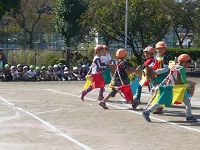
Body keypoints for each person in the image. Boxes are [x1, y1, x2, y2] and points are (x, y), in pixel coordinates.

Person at [142, 54, 197, 122]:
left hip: (171, 87)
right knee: (162, 101)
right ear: (185, 62)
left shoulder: (174, 67)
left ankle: (189, 116)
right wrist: (188, 84)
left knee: (186, 102)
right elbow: (183, 80)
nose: (188, 64)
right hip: (177, 89)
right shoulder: (182, 69)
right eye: (188, 62)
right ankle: (147, 111)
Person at [149, 41, 170, 114]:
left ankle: (158, 107)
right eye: (158, 48)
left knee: (159, 91)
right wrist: (149, 68)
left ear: (165, 49)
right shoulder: (156, 57)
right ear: (156, 50)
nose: (160, 50)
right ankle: (158, 106)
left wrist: (157, 72)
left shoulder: (165, 57)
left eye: (162, 48)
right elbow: (153, 64)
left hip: (162, 77)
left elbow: (166, 68)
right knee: (153, 91)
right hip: (156, 77)